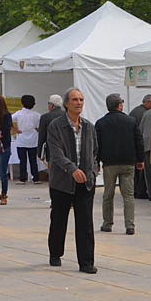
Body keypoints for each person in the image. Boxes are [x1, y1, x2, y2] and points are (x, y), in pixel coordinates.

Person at [46, 88, 98, 274]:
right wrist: (71, 168)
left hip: (85, 182)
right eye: (75, 99)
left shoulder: (89, 126)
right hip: (62, 182)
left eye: (81, 99)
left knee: (85, 223)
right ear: (66, 103)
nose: (79, 103)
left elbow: (94, 151)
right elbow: (56, 153)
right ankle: (55, 253)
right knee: (59, 219)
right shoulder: (56, 126)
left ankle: (86, 262)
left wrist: (91, 172)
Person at [95, 92, 143, 235]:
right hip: (128, 162)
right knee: (128, 195)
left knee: (108, 194)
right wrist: (140, 160)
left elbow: (97, 145)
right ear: (120, 105)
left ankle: (107, 223)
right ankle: (130, 225)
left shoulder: (101, 123)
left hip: (109, 163)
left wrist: (96, 162)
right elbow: (138, 141)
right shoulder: (131, 121)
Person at [128, 94, 151, 198]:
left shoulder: (135, 110)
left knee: (136, 170)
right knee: (143, 170)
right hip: (140, 144)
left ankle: (136, 190)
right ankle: (141, 191)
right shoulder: (145, 113)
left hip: (133, 143)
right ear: (147, 102)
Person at [13, 95, 41, 183]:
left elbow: (9, 119)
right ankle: (36, 178)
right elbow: (42, 124)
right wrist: (38, 129)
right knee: (33, 160)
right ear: (33, 104)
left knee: (23, 160)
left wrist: (15, 129)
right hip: (33, 139)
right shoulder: (37, 115)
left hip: (21, 139)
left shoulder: (18, 113)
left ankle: (22, 179)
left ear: (22, 103)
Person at [38, 94, 64, 162]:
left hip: (51, 150)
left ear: (52, 105)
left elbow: (42, 136)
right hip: (66, 150)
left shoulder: (45, 117)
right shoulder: (67, 115)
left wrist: (40, 153)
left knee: (53, 171)